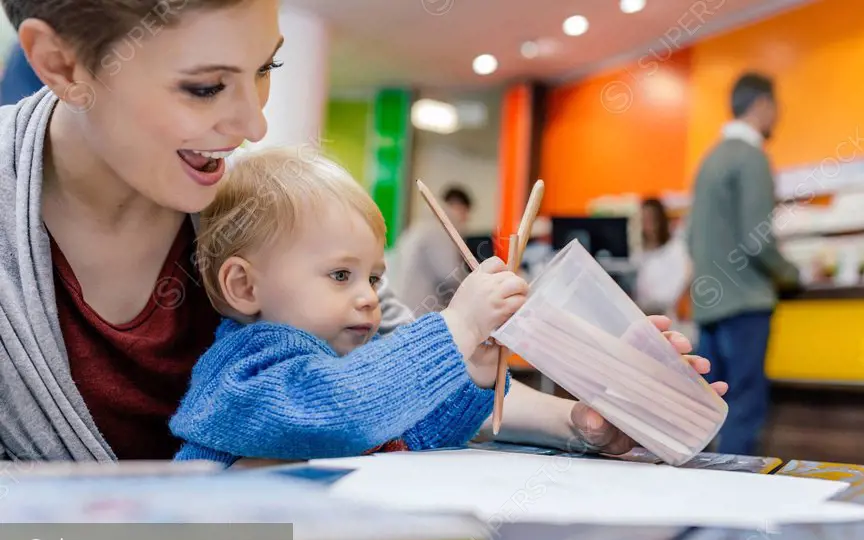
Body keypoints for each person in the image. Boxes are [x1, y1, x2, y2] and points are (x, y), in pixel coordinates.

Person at [0, 0, 723, 465]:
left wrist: (588, 418)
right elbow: (349, 398)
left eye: (266, 69)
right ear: (62, 64)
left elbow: (390, 377)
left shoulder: (251, 205)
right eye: (203, 86)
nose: (253, 124)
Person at [172, 149, 524, 466]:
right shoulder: (243, 372)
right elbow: (343, 411)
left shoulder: (344, 362)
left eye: (372, 279)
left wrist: (475, 370)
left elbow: (407, 437)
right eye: (341, 274)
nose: (370, 298)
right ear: (245, 287)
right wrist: (457, 326)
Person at [687, 72, 799, 457]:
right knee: (744, 407)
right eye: (776, 108)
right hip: (746, 303)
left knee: (708, 407)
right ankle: (735, 502)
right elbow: (758, 239)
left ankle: (697, 498)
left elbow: (691, 237)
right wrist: (790, 274)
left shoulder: (710, 158)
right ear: (763, 105)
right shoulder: (751, 158)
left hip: (710, 303)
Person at [390, 185, 472, 317]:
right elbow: (450, 277)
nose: (466, 219)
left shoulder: (417, 228)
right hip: (418, 311)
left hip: (400, 307)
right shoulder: (439, 231)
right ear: (457, 207)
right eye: (465, 213)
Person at [634, 197, 689, 318]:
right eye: (643, 220)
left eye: (651, 220)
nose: (647, 225)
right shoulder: (639, 253)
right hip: (642, 312)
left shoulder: (676, 249)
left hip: (667, 313)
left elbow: (676, 288)